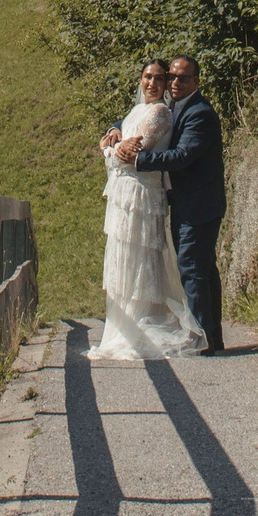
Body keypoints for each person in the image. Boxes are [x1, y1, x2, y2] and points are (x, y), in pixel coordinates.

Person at [87, 61, 206, 361]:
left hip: (142, 194)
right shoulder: (134, 112)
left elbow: (135, 153)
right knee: (122, 258)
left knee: (139, 260)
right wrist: (114, 137)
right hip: (122, 195)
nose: (152, 83)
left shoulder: (161, 112)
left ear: (166, 84)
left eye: (159, 79)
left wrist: (106, 150)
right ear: (140, 80)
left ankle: (143, 322)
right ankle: (122, 327)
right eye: (147, 77)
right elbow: (123, 143)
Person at [121, 55, 226, 356]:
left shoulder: (200, 113)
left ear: (196, 81)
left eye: (183, 78)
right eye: (172, 76)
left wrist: (140, 160)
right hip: (188, 201)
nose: (175, 82)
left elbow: (182, 156)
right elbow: (145, 115)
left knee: (192, 268)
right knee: (203, 269)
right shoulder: (177, 107)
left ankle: (201, 339)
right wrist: (116, 129)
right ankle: (211, 336)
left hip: (199, 203)